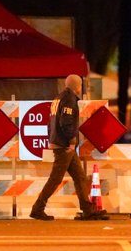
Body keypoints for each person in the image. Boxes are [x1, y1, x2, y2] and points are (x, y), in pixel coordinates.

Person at [30, 74, 108, 221]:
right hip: (65, 145)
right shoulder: (69, 99)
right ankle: (37, 209)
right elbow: (66, 123)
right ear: (77, 86)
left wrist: (51, 139)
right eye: (80, 85)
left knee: (79, 177)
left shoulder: (58, 98)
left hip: (59, 142)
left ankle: (87, 210)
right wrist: (71, 141)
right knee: (55, 179)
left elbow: (50, 122)